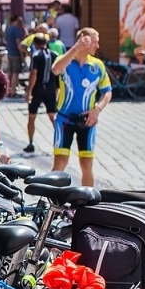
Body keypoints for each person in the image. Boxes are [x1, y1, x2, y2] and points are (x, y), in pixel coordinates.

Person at [50, 28, 113, 187]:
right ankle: (52, 204)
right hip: (64, 120)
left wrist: (97, 110)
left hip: (87, 121)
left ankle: (87, 203)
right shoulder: (66, 60)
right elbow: (55, 69)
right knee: (60, 163)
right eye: (94, 41)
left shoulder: (97, 65)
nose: (97, 46)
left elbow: (107, 92)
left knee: (86, 165)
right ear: (83, 40)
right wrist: (75, 48)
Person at [23, 32, 57, 154]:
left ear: (35, 44)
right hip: (51, 88)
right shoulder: (55, 55)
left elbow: (34, 73)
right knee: (53, 116)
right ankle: (60, 142)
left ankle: (31, 142)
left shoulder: (36, 55)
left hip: (38, 89)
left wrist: (29, 91)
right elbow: (57, 73)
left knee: (32, 116)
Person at [4, 14, 27, 97]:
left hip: (9, 52)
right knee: (15, 73)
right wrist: (21, 54)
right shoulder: (16, 29)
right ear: (16, 20)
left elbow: (6, 40)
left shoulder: (8, 29)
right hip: (16, 53)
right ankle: (13, 91)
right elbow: (18, 43)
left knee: (9, 72)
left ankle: (7, 90)